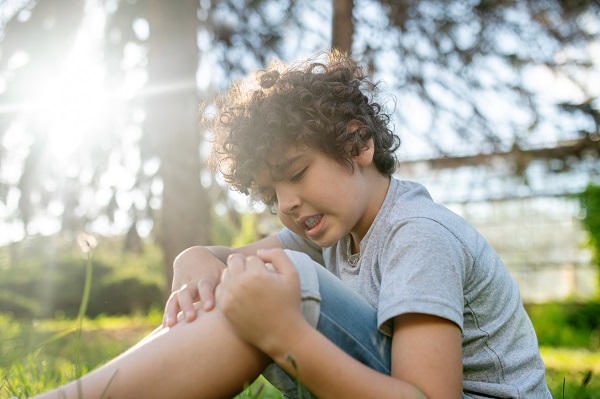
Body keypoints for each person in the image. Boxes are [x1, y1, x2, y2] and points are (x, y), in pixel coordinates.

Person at [31, 49, 551, 399]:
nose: (287, 203)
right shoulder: (328, 229)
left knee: (281, 281)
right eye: (270, 193)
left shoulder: (418, 234)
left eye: (296, 173)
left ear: (358, 143)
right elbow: (222, 259)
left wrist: (282, 333)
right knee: (257, 275)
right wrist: (191, 260)